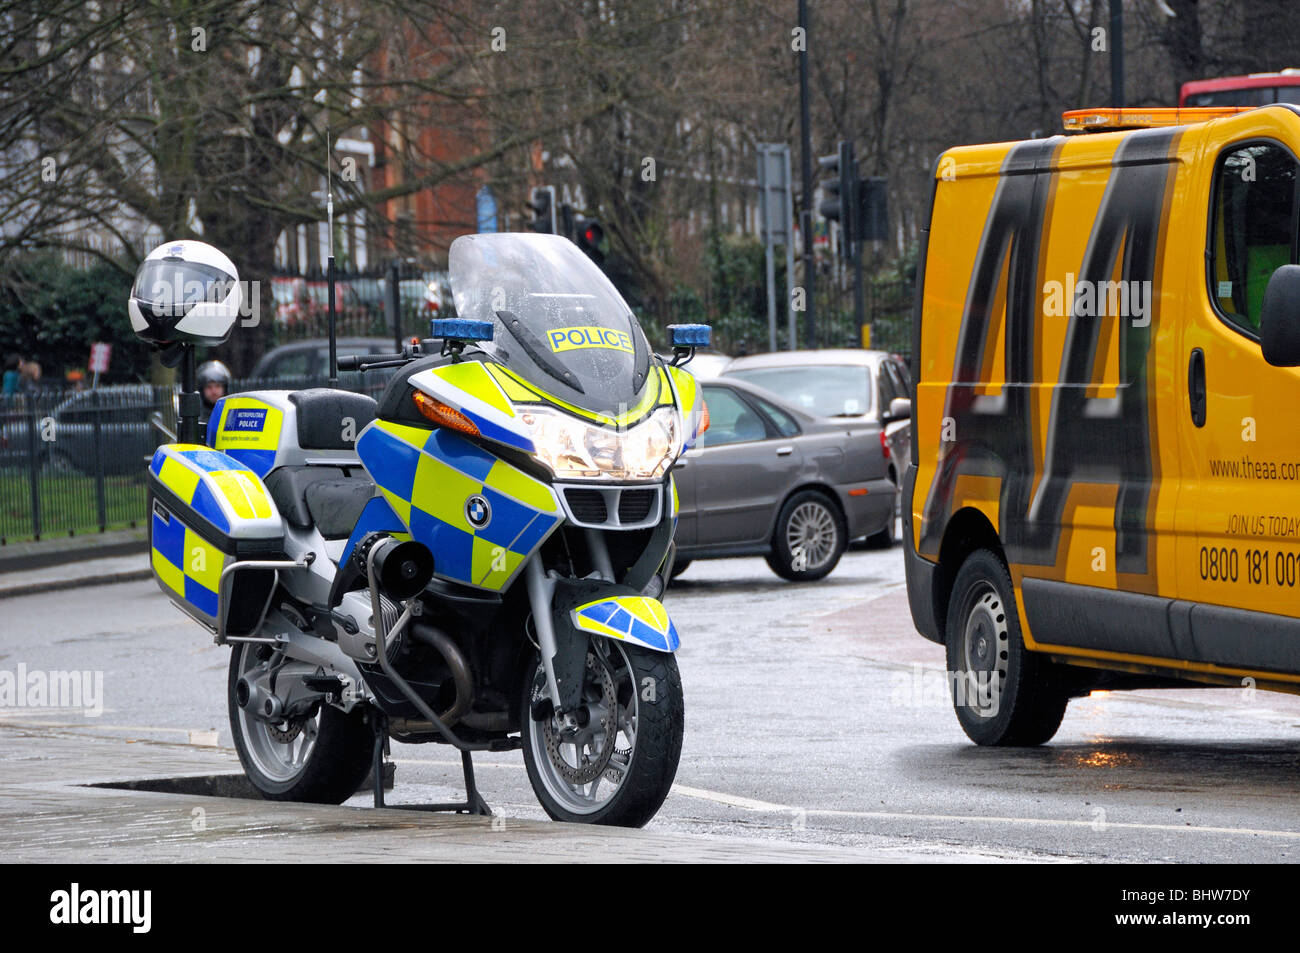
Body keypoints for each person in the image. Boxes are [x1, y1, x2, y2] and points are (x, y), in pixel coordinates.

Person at [196, 360, 231, 426]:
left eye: (218, 386)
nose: (214, 391)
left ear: (225, 388)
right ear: (202, 390)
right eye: (208, 387)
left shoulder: (233, 415)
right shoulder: (195, 417)